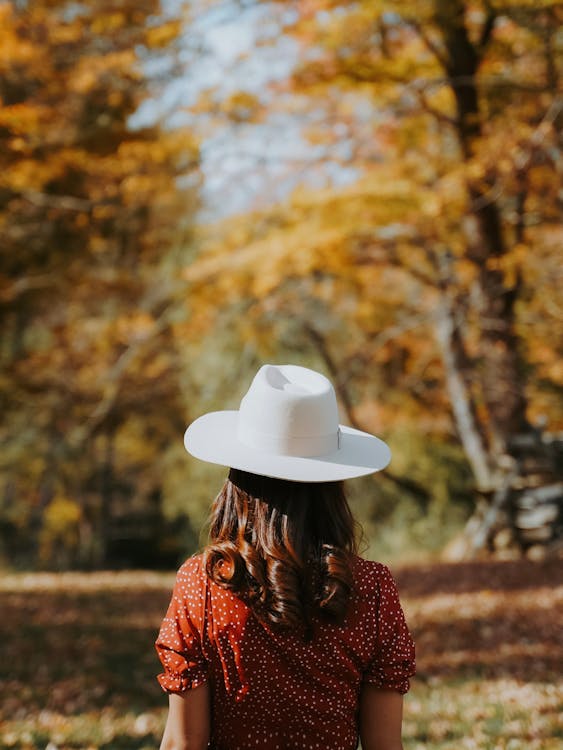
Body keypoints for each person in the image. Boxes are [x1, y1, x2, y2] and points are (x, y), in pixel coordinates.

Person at [155, 364, 416, 750]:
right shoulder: (371, 590)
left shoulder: (204, 585)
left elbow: (184, 743)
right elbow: (384, 746)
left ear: (238, 480)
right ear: (333, 485)